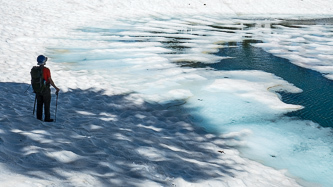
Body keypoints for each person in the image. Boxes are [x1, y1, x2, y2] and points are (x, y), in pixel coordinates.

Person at [36, 55, 60, 122]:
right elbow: (50, 80)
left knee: (39, 104)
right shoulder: (46, 70)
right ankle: (47, 118)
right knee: (46, 104)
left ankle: (39, 118)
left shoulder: (35, 70)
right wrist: (56, 88)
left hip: (38, 89)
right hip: (45, 90)